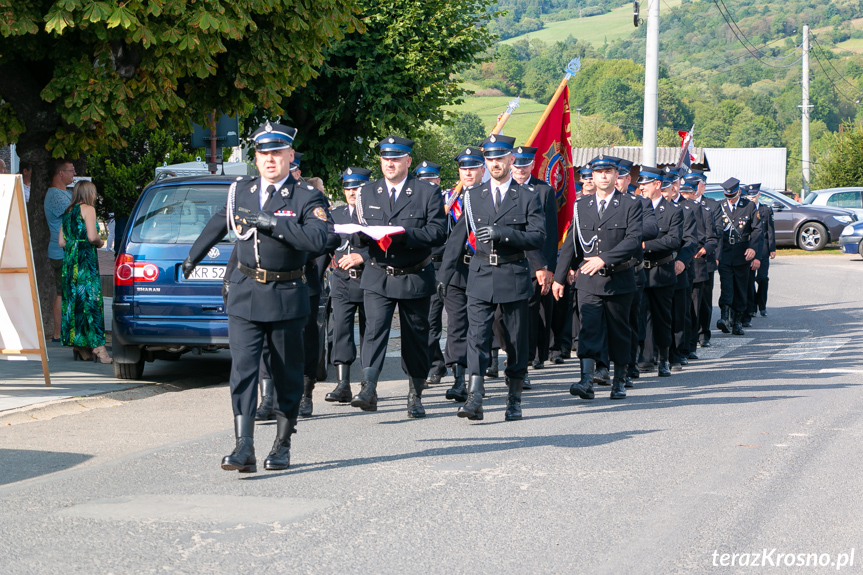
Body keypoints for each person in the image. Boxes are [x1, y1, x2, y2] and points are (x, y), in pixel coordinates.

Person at [184, 121, 329, 473]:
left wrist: (271, 223)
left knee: (286, 372)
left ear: (289, 156)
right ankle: (243, 445)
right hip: (246, 292)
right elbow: (220, 221)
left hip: (286, 293)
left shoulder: (306, 195)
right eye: (263, 153)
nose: (269, 159)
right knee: (244, 369)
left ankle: (282, 444)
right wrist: (193, 256)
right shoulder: (243, 191)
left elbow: (319, 239)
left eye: (276, 153)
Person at [440, 134, 545, 421]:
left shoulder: (527, 196)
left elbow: (538, 236)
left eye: (500, 157)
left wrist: (505, 234)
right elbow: (457, 239)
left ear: (512, 159)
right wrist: (444, 275)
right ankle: (475, 397)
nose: (495, 163)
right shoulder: (473, 196)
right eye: (490, 158)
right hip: (481, 272)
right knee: (477, 336)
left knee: (514, 339)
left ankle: (514, 398)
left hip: (512, 273)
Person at [348, 136, 446, 418]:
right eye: (385, 158)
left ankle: (415, 394)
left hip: (414, 274)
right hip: (379, 274)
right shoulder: (367, 192)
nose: (389, 163)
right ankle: (368, 388)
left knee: (415, 337)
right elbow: (361, 235)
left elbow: (438, 233)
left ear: (408, 161)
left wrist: (403, 235)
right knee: (374, 330)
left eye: (395, 158)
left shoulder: (427, 192)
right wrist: (356, 233)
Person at [553, 155, 643, 401]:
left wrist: (605, 259)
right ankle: (586, 380)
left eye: (608, 172)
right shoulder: (581, 205)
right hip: (589, 281)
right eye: (599, 172)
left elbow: (633, 240)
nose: (603, 176)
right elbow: (572, 243)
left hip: (618, 279)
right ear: (591, 177)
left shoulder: (630, 204)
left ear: (617, 176)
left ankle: (620, 380)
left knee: (619, 332)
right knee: (589, 329)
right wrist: (559, 277)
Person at [438, 147, 485, 403]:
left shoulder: (489, 196)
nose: (468, 172)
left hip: (484, 267)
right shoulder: (449, 199)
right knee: (456, 324)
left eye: (473, 167)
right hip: (456, 269)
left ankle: (477, 377)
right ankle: (458, 379)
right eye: (464, 168)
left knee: (480, 326)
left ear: (482, 169)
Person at [509, 146, 557, 374]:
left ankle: (528, 360)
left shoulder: (544, 190)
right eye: (516, 165)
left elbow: (549, 233)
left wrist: (546, 266)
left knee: (531, 311)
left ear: (532, 165)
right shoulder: (502, 189)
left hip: (533, 262)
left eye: (524, 165)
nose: (520, 169)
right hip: (507, 261)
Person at [325, 167, 370, 403]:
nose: (352, 192)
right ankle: (343, 384)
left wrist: (363, 257)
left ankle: (367, 385)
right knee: (341, 330)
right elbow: (326, 244)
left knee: (369, 333)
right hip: (342, 280)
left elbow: (387, 245)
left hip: (369, 279)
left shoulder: (375, 213)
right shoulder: (336, 214)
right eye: (348, 188)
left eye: (357, 187)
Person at [635, 166, 683, 378]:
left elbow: (673, 240)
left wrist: (645, 245)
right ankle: (645, 358)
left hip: (661, 271)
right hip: (638, 272)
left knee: (662, 317)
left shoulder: (673, 210)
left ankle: (664, 357)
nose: (641, 187)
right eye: (640, 184)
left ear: (657, 185)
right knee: (641, 316)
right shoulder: (636, 207)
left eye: (645, 183)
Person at [57, 180, 112, 364]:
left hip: (70, 262)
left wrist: (74, 242)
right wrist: (100, 243)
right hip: (85, 260)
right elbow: (91, 236)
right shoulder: (88, 209)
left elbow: (61, 242)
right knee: (91, 300)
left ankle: (80, 345)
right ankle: (98, 346)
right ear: (89, 193)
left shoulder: (67, 212)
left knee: (74, 302)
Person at [415, 161, 448, 388]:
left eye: (432, 179)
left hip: (442, 266)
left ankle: (431, 366)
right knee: (423, 321)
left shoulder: (449, 202)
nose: (428, 184)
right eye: (423, 180)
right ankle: (436, 363)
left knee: (433, 321)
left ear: (438, 181)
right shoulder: (413, 202)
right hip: (419, 266)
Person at [715, 178, 762, 336]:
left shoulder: (749, 206)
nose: (730, 199)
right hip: (725, 252)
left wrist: (753, 249)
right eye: (727, 196)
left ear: (739, 192)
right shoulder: (719, 206)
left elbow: (757, 230)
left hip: (743, 253)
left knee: (741, 288)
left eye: (733, 196)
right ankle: (724, 317)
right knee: (726, 286)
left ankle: (737, 321)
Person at [44, 159, 76, 343]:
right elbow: (74, 215)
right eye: (71, 171)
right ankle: (58, 333)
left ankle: (63, 332)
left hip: (64, 249)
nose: (74, 173)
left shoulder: (63, 193)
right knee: (62, 292)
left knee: (64, 291)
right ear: (60, 173)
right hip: (61, 250)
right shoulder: (55, 195)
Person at [743, 184, 776, 321]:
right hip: (749, 249)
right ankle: (751, 307)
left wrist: (772, 248)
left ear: (759, 195)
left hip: (762, 250)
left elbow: (770, 230)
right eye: (749, 195)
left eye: (754, 195)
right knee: (749, 280)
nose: (751, 198)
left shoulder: (766, 209)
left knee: (762, 278)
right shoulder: (744, 209)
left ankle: (761, 305)